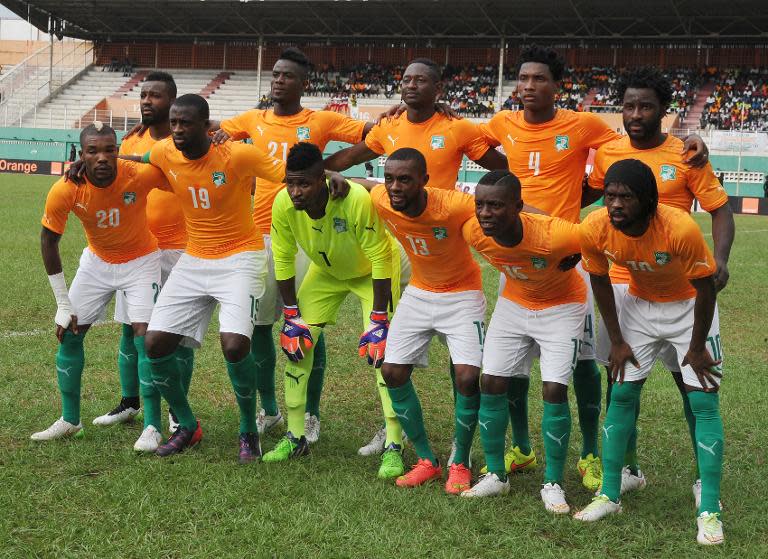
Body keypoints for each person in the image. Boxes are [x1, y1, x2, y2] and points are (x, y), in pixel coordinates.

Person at [478, 45, 709, 491]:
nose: (527, 86)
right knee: (514, 364)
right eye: (522, 79)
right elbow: (461, 137)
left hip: (572, 257)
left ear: (557, 85)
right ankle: (522, 448)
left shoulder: (584, 125)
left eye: (538, 79)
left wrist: (694, 144)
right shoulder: (501, 123)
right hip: (519, 256)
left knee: (585, 362)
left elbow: (633, 149)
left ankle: (589, 455)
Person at [210, 48, 373, 443]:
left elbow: (373, 136)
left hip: (306, 235)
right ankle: (270, 409)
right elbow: (210, 130)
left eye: (287, 76)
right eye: (276, 74)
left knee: (307, 326)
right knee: (262, 326)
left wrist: (333, 167)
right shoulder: (251, 120)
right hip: (260, 236)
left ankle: (312, 414)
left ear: (304, 83)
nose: (278, 80)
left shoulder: (319, 120)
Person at [588, 66, 734, 496]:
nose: (636, 113)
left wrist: (720, 260)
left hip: (675, 283)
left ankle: (700, 476)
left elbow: (720, 209)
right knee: (618, 380)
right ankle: (628, 469)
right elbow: (592, 198)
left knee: (690, 383)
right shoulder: (609, 152)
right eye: (629, 105)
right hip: (618, 284)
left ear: (664, 111)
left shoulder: (686, 154)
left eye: (646, 106)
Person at [574, 159, 725, 547]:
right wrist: (618, 339)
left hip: (690, 307)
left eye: (626, 197)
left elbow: (706, 288)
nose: (616, 204)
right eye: (610, 196)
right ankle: (609, 493)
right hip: (639, 307)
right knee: (622, 394)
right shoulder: (594, 226)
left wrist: (695, 347)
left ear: (649, 200)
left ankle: (709, 507)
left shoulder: (679, 228)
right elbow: (599, 279)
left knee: (703, 401)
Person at [141, 94, 286, 463]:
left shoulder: (238, 155)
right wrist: (95, 164)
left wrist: (340, 181)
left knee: (235, 345)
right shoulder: (163, 151)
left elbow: (291, 177)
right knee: (155, 343)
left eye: (185, 123)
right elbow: (139, 161)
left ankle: (248, 432)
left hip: (241, 257)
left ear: (208, 126)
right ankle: (188, 426)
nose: (176, 130)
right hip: (195, 257)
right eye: (173, 122)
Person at [265, 142, 403, 478]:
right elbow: (283, 258)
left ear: (322, 179)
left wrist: (379, 320)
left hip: (373, 274)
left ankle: (394, 444)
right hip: (326, 274)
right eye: (290, 183)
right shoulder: (283, 203)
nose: (296, 192)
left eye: (304, 184)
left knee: (381, 353)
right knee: (296, 345)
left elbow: (381, 257)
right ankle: (296, 436)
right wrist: (291, 314)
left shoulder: (354, 199)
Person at [460, 170, 588, 513]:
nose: (485, 213)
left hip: (562, 307)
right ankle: (496, 476)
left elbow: (598, 238)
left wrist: (580, 253)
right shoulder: (474, 230)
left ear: (519, 207)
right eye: (480, 204)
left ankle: (553, 482)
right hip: (515, 304)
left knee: (554, 389)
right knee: (491, 381)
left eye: (496, 206)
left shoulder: (554, 234)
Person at [32, 122, 167, 448]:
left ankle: (152, 425)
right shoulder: (67, 188)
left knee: (145, 338)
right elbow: (49, 241)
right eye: (93, 151)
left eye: (110, 149)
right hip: (97, 263)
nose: (103, 157)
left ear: (118, 151)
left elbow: (176, 169)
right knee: (69, 333)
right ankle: (70, 420)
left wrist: (136, 157)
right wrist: (63, 304)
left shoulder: (138, 174)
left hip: (142, 260)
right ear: (81, 155)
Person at [371, 148, 486, 494]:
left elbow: (515, 209)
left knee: (467, 376)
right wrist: (337, 180)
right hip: (420, 293)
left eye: (404, 179)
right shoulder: (383, 197)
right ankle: (427, 461)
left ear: (424, 180)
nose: (395, 187)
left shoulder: (453, 205)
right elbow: (363, 185)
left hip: (463, 293)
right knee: (392, 371)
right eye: (390, 178)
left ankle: (460, 462)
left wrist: (568, 230)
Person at [90, 72, 194, 449]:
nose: (147, 101)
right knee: (130, 329)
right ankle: (129, 402)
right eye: (143, 95)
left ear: (173, 101)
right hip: (137, 250)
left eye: (156, 96)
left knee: (175, 335)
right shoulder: (131, 138)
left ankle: (174, 409)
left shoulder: (185, 140)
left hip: (181, 249)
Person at [324, 58, 507, 188]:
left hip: (441, 227)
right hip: (398, 226)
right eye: (406, 80)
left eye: (420, 80)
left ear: (438, 89)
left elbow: (505, 167)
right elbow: (350, 156)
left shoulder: (458, 127)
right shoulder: (389, 124)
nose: (411, 85)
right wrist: (310, 173)